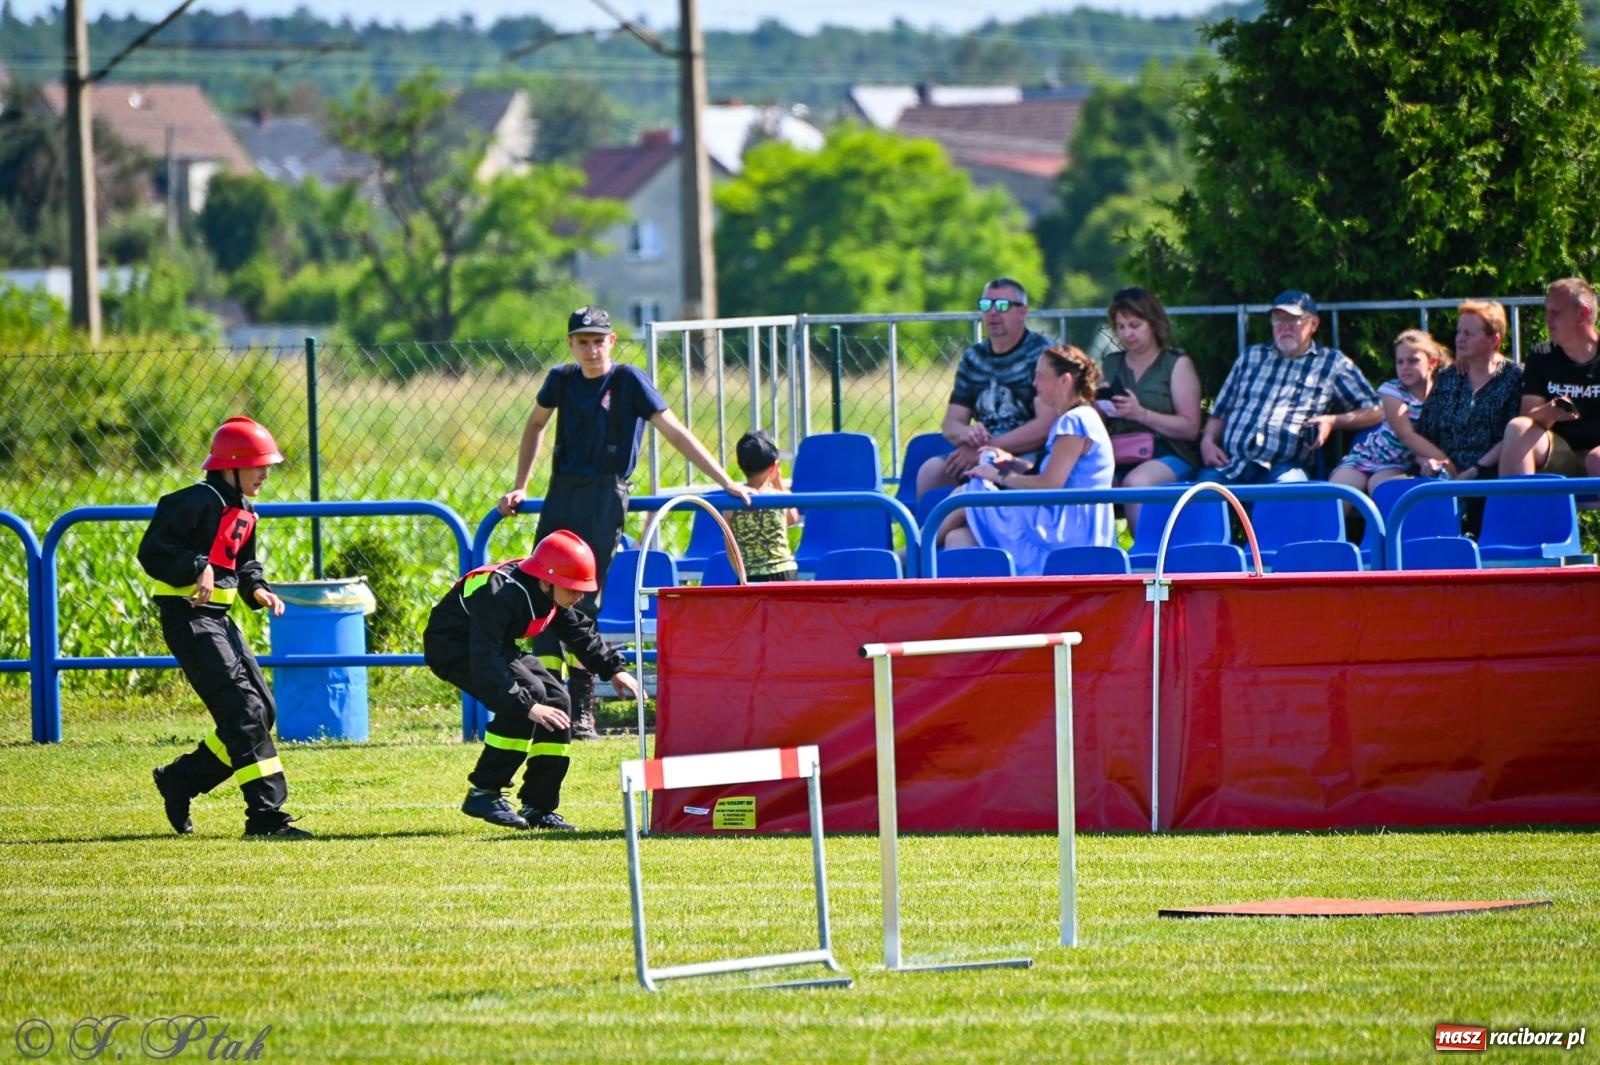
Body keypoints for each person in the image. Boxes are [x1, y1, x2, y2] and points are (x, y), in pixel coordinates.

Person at [496, 306, 751, 740]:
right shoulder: (561, 380)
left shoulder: (629, 381)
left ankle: (581, 708)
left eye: (599, 340)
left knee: (581, 601)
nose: (591, 349)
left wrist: (724, 479)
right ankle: (548, 699)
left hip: (605, 495)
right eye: (583, 341)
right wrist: (520, 485)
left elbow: (674, 431)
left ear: (611, 342)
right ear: (571, 345)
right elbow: (536, 424)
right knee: (541, 593)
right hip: (562, 492)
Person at [141, 416, 310, 840]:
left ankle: (181, 779)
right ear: (230, 466)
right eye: (259, 466)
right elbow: (154, 552)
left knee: (261, 712)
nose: (266, 474)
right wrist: (196, 567)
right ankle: (266, 818)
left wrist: (259, 590)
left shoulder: (244, 510)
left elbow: (244, 564)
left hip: (220, 619)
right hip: (189, 620)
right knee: (245, 712)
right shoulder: (191, 502)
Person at [423, 530, 641, 832]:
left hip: (493, 646)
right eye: (573, 589)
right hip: (454, 647)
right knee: (528, 698)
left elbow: (579, 631)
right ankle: (484, 791)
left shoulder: (549, 593)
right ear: (547, 580)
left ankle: (538, 805)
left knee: (557, 700)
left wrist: (614, 670)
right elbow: (484, 657)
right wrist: (525, 706)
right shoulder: (501, 593)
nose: (579, 596)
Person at [936, 345, 1115, 574]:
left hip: (1067, 532)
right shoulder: (1075, 419)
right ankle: (981, 606)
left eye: (1040, 376)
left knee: (969, 494)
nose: (1034, 384)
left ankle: (911, 555)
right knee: (958, 538)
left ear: (1065, 381)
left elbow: (1051, 484)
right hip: (1060, 522)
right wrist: (1009, 461)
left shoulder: (1075, 421)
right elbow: (1051, 472)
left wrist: (1000, 474)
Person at [1198, 290, 1382, 485]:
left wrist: (1333, 421)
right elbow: (1220, 411)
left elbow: (1377, 410)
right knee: (1200, 499)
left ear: (1313, 324)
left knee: (1289, 496)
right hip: (1231, 464)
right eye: (1278, 319)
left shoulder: (1332, 364)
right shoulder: (1251, 356)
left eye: (1293, 319)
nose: (1284, 327)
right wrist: (1208, 441)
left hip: (1285, 467)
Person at [913, 278, 1058, 501]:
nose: (992, 313)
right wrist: (966, 433)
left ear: (1023, 312)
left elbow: (1045, 426)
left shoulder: (1043, 355)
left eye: (1002, 306)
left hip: (1029, 456)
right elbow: (951, 424)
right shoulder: (973, 358)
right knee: (931, 473)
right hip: (981, 454)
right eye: (985, 305)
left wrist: (988, 448)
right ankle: (930, 536)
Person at [1095, 286, 1203, 534]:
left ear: (1152, 323)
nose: (1127, 334)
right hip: (1118, 452)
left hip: (1169, 453)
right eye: (1121, 327)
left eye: (1134, 325)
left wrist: (1140, 414)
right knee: (1088, 485)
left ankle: (1145, 559)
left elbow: (1190, 428)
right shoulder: (1111, 364)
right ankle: (1100, 558)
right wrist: (1099, 407)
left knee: (1136, 484)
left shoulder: (1176, 364)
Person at [1498, 278, 1600, 478]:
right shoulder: (1541, 355)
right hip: (1560, 452)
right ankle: (1518, 508)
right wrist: (1550, 411)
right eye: (1547, 311)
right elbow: (1527, 416)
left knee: (1597, 459)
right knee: (1518, 428)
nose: (1547, 318)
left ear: (1583, 313)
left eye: (1556, 312)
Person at [1330, 328, 1449, 498]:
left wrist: (1426, 461)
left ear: (1432, 362)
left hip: (1399, 464)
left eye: (1412, 360)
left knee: (1385, 493)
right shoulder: (1391, 390)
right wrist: (1449, 464)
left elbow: (1427, 442)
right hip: (1367, 456)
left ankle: (1377, 526)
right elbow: (1405, 435)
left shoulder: (1443, 397)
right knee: (1338, 497)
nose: (1405, 367)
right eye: (1400, 362)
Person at [1415, 300, 1524, 480]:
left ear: (1494, 340)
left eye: (1469, 334)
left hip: (1490, 475)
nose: (1459, 339)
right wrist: (1427, 462)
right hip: (1443, 476)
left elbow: (1512, 439)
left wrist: (1475, 470)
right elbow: (1424, 435)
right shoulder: (1447, 377)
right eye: (1458, 332)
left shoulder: (1515, 378)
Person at [725, 429, 799, 582]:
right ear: (773, 468)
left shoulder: (732, 503)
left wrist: (740, 573)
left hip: (749, 574)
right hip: (783, 571)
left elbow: (730, 547)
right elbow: (792, 518)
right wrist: (778, 482)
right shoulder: (779, 497)